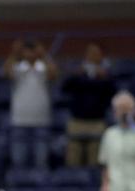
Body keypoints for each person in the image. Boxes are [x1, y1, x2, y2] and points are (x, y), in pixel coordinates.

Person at [63, 44, 118, 168]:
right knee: (73, 159)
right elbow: (64, 88)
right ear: (85, 55)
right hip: (77, 122)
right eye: (91, 53)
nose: (93, 56)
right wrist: (76, 74)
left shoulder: (107, 74)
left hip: (97, 122)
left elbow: (114, 92)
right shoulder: (77, 73)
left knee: (95, 160)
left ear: (101, 56)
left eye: (96, 53)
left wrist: (105, 77)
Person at [7, 39, 57, 170]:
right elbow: (6, 73)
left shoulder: (44, 68)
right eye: (27, 50)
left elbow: (54, 74)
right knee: (18, 161)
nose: (30, 53)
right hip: (19, 119)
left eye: (33, 50)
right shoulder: (18, 67)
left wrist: (44, 55)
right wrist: (14, 53)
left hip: (41, 119)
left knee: (41, 162)